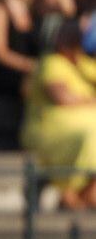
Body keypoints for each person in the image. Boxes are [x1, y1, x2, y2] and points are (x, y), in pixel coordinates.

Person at [22, 20, 96, 210]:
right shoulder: (51, 62)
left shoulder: (83, 63)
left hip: (82, 128)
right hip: (50, 132)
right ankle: (70, 194)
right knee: (91, 137)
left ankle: (80, 197)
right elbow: (61, 96)